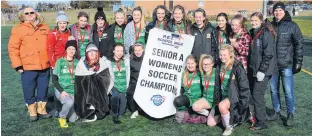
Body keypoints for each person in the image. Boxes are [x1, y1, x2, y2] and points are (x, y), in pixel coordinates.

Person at [8, 6, 51, 121]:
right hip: (27, 67)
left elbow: (51, 45)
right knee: (29, 89)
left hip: (44, 66)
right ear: (23, 15)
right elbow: (13, 48)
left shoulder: (45, 27)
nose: (30, 14)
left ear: (36, 13)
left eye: (32, 12)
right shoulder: (18, 29)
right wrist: (17, 65)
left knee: (43, 88)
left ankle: (41, 109)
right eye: (27, 13)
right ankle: (32, 110)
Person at [268, 2, 304, 127]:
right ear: (273, 12)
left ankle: (290, 114)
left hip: (286, 64)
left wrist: (298, 61)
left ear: (284, 11)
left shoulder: (292, 26)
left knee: (288, 91)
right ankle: (276, 111)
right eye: (275, 11)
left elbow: (299, 44)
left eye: (280, 10)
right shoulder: (270, 25)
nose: (278, 13)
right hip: (272, 66)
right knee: (273, 91)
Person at [248, 12, 277, 130]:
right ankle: (260, 116)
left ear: (261, 21)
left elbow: (268, 54)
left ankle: (262, 122)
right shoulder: (253, 32)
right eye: (252, 20)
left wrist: (262, 70)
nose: (253, 23)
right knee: (255, 95)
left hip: (263, 70)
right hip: (254, 69)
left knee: (257, 95)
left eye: (256, 20)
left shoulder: (266, 33)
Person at [75, 43, 113, 122]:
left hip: (100, 92)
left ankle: (97, 108)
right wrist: (89, 74)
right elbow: (79, 81)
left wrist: (94, 76)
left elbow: (106, 78)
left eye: (94, 51)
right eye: (90, 51)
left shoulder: (102, 63)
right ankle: (90, 109)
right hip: (86, 94)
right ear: (86, 54)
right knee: (89, 78)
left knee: (100, 115)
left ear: (97, 53)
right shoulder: (81, 64)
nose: (92, 53)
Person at [217, 45, 250, 136]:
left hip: (234, 96)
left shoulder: (237, 66)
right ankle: (232, 118)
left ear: (230, 54)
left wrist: (243, 103)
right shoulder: (220, 64)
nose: (222, 57)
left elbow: (244, 86)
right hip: (223, 95)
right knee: (211, 123)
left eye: (224, 55)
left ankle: (229, 128)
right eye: (220, 55)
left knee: (222, 106)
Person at [52, 39, 80, 128]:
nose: (71, 51)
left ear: (75, 51)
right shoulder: (60, 61)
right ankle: (62, 117)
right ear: (66, 50)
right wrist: (62, 91)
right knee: (69, 102)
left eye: (73, 49)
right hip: (62, 90)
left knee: (73, 119)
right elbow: (54, 80)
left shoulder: (77, 62)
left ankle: (63, 109)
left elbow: (79, 79)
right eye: (69, 49)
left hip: (73, 90)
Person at [192, 54, 221, 126]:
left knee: (210, 124)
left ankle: (220, 116)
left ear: (212, 64)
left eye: (208, 64)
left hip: (216, 102)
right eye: (204, 64)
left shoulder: (217, 72)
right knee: (195, 107)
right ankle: (208, 114)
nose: (206, 66)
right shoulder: (202, 73)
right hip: (206, 100)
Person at [106, 44, 130, 124]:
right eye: (117, 51)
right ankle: (114, 116)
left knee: (122, 112)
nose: (120, 53)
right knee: (116, 95)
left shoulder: (126, 61)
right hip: (114, 85)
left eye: (121, 51)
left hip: (124, 86)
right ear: (113, 51)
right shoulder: (108, 62)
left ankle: (112, 109)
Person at [127, 43, 145, 119]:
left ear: (143, 50)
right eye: (135, 50)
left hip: (145, 83)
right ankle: (134, 110)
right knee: (130, 92)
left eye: (139, 50)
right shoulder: (130, 60)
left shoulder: (147, 59)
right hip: (134, 82)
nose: (137, 52)